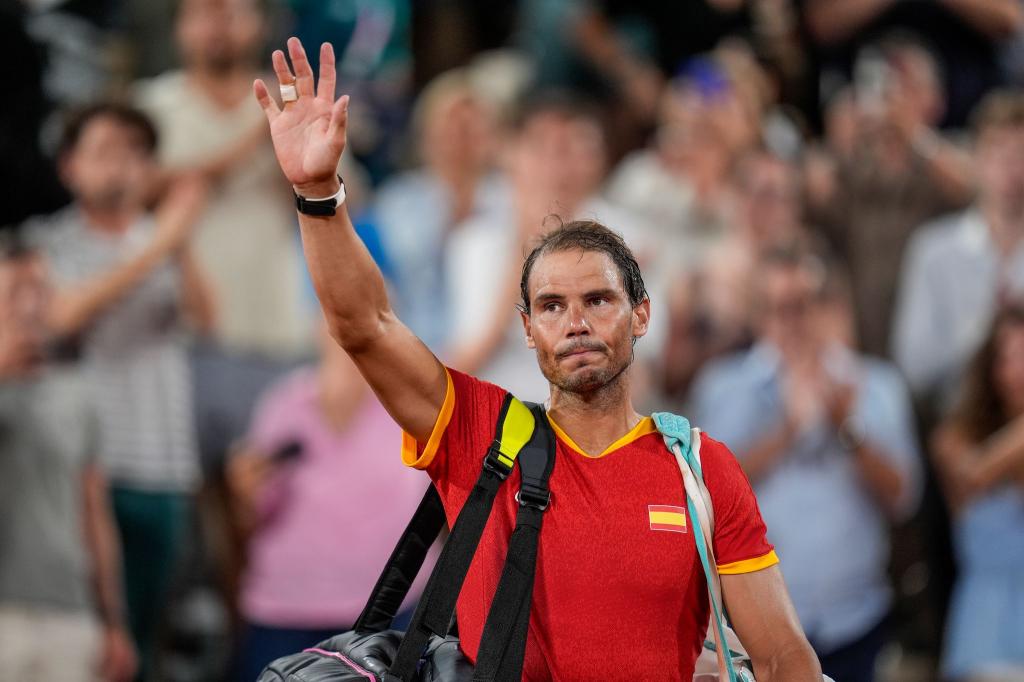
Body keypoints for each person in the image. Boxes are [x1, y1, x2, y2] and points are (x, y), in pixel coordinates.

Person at [250, 37, 822, 679]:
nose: (574, 322)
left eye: (598, 299)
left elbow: (780, 655)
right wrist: (320, 192)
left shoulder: (702, 472)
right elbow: (365, 326)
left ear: (641, 315)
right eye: (551, 306)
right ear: (526, 329)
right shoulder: (478, 435)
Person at [24, 102, 214, 680]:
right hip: (83, 470)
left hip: (164, 463)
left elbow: (208, 320)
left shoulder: (165, 240)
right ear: (69, 167)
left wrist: (174, 241)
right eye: (105, 151)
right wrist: (162, 241)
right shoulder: (43, 243)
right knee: (89, 642)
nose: (122, 167)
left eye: (136, 153)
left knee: (148, 639)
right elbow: (57, 317)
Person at [690, 247, 922, 682]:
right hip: (750, 631)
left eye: (803, 306)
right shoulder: (723, 386)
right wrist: (786, 432)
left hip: (856, 620)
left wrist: (847, 427)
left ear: (830, 307)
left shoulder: (877, 384)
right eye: (779, 308)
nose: (792, 322)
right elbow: (700, 499)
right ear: (759, 314)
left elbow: (903, 497)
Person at [227, 323, 430, 680]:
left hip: (389, 613)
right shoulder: (286, 403)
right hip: (287, 611)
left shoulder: (411, 404)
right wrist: (244, 493)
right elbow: (250, 519)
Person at [135, 0, 316, 359]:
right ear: (179, 29)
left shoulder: (293, 100)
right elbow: (136, 192)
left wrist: (294, 149)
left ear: (261, 25)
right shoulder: (151, 104)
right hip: (182, 326)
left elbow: (345, 201)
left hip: (280, 319)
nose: (217, 27)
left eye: (232, 13)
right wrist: (255, 138)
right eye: (202, 14)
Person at [0, 242, 136, 682]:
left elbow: (94, 513)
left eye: (40, 287)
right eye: (16, 287)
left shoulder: (77, 392)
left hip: (70, 612)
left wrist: (114, 622)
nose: (29, 302)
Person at [805, 35, 973, 358]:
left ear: (936, 100)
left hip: (930, 338)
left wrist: (912, 133)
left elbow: (971, 188)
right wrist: (839, 140)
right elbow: (816, 198)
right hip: (860, 338)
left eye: (908, 87)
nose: (892, 100)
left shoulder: (947, 156)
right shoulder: (854, 167)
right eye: (885, 88)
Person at [892, 90, 1024, 412]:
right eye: (999, 153)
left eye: (1021, 154)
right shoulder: (933, 249)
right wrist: (984, 334)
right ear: (977, 160)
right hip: (956, 422)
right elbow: (912, 367)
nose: (1011, 169)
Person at [373, 68, 507, 351]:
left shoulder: (512, 198)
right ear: (426, 134)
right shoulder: (399, 201)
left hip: (499, 352)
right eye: (452, 124)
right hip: (416, 348)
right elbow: (400, 275)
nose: (462, 137)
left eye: (473, 126)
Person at [931, 305, 1024, 681]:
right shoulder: (954, 438)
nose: (1018, 371)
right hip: (986, 630)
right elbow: (973, 474)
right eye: (1008, 357)